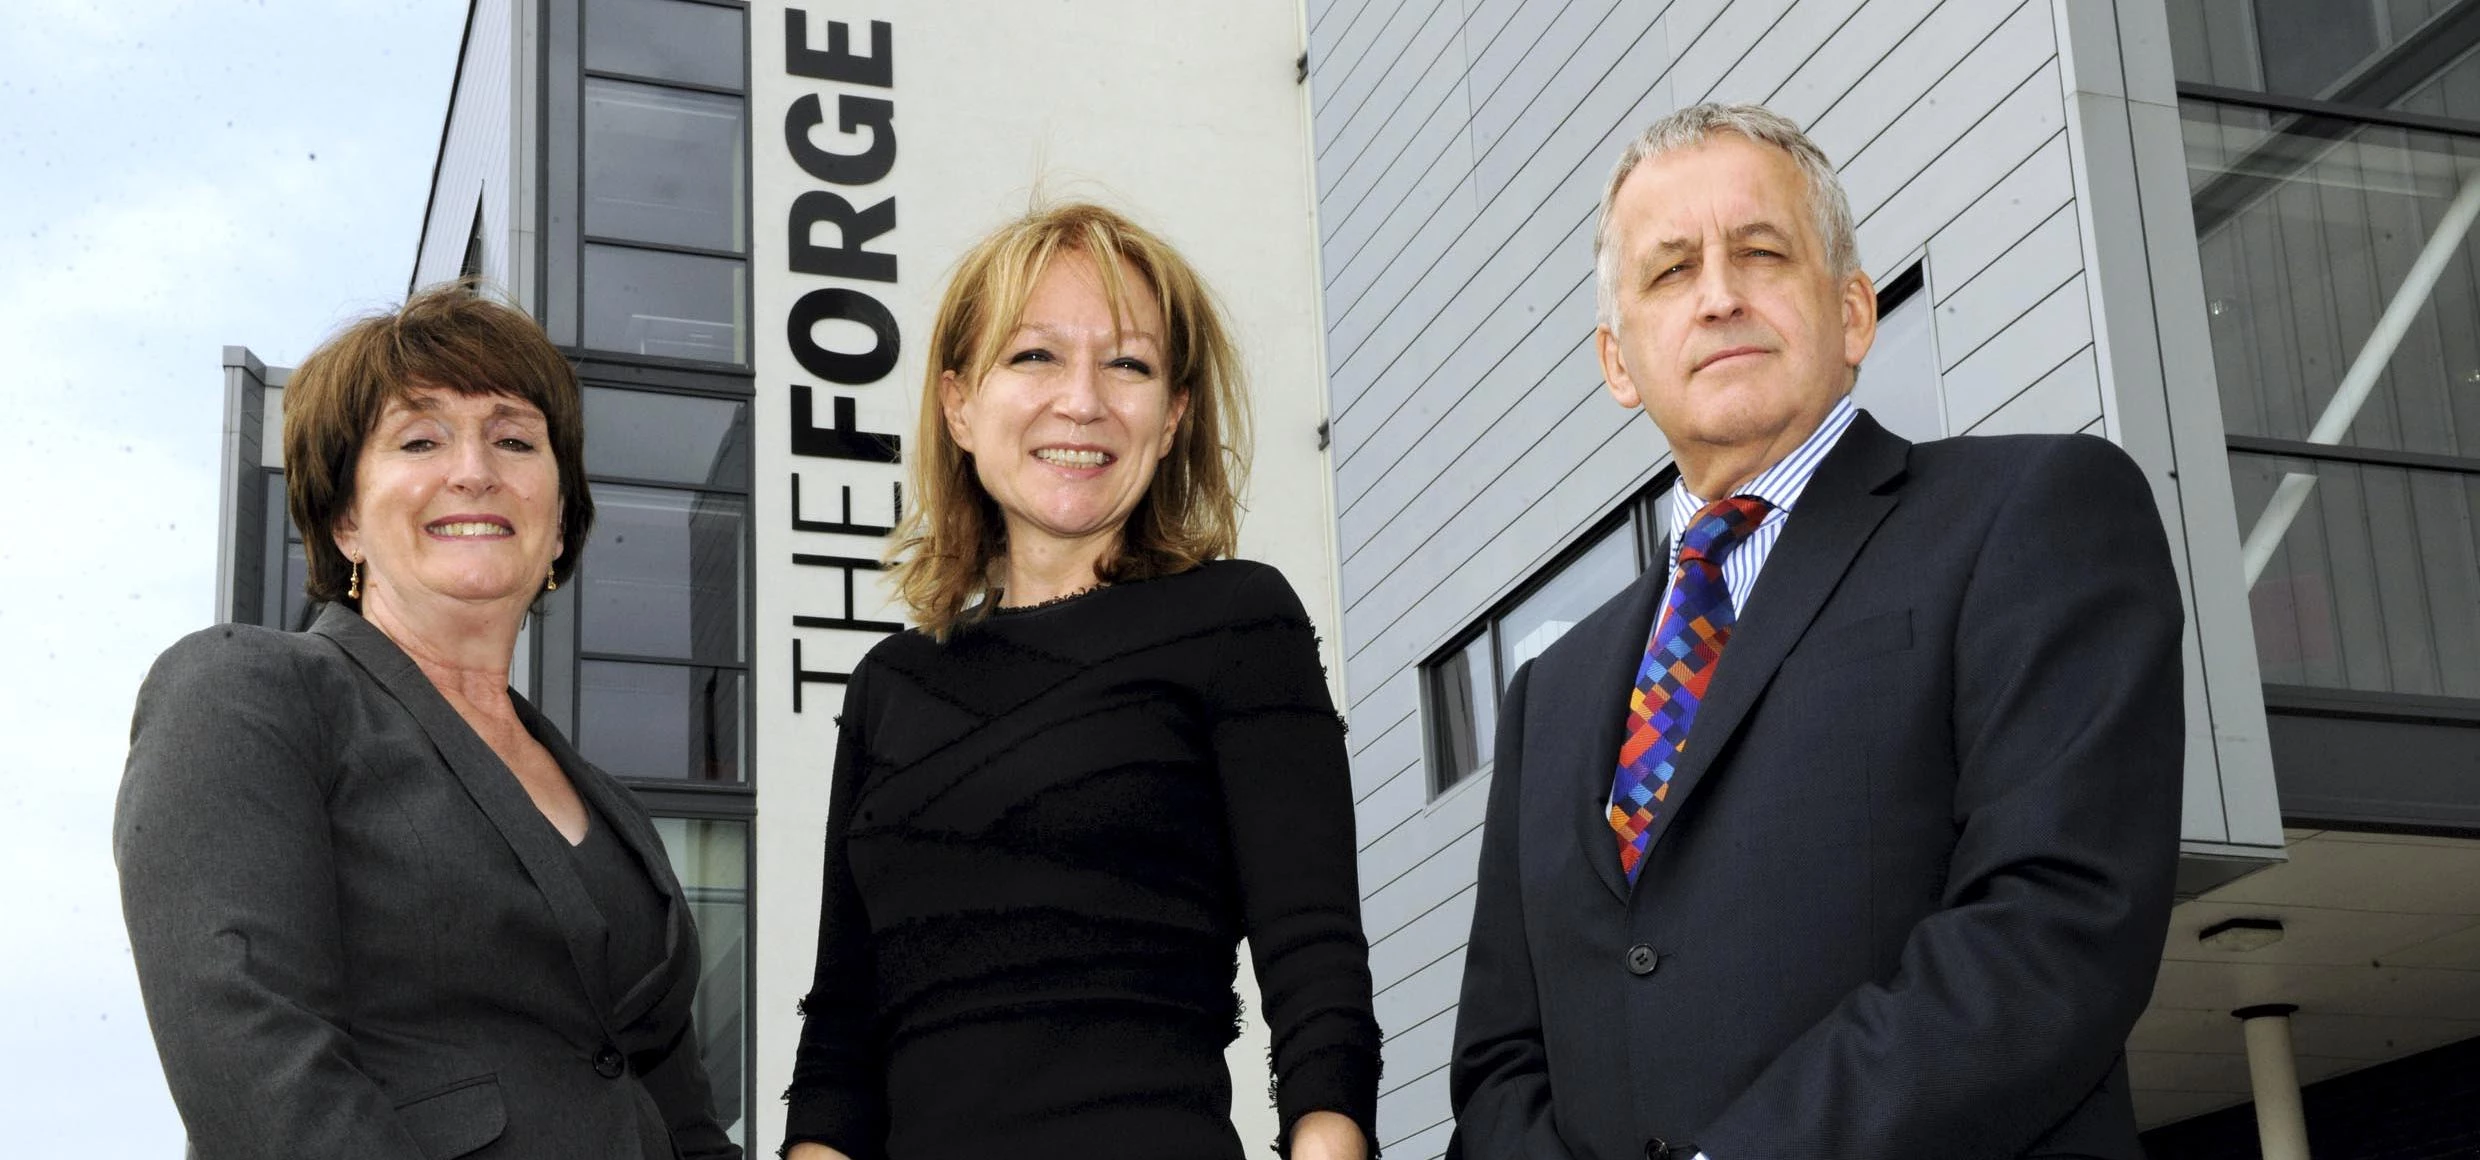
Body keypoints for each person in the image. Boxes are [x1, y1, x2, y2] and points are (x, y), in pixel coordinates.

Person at [1447, 103, 2184, 1160]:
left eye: (1759, 251)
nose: (1716, 295)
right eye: (1669, 271)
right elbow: (1500, 1062)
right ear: (1618, 363)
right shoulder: (1547, 692)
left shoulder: (2033, 511)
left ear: (1849, 313)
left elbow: (2049, 926)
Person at [781, 202, 1380, 1160]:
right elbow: (842, 1036)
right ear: (959, 404)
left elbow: (1315, 963)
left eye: (1129, 364)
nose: (1084, 401)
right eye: (1035, 357)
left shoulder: (1237, 620)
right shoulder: (887, 686)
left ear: (1175, 414)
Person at [115, 285, 742, 1160]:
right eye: (421, 438)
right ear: (343, 522)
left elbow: (682, 1116)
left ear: (558, 524)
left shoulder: (609, 807)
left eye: (516, 440)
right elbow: (253, 1049)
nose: (475, 470)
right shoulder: (249, 690)